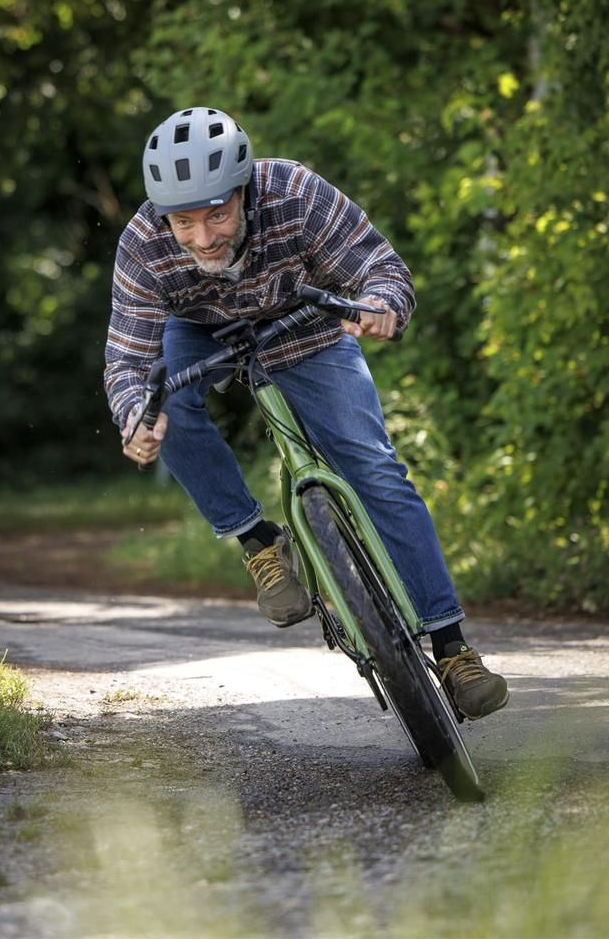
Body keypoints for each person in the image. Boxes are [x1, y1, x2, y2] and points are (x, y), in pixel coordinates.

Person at [104, 106, 508, 720]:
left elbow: (382, 266)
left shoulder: (295, 192)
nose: (204, 236)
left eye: (218, 213)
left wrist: (380, 303)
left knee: (375, 468)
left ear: (244, 189)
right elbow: (128, 360)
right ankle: (258, 541)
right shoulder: (142, 245)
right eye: (184, 222)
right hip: (202, 334)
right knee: (165, 408)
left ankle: (451, 650)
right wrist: (135, 415)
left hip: (307, 326)